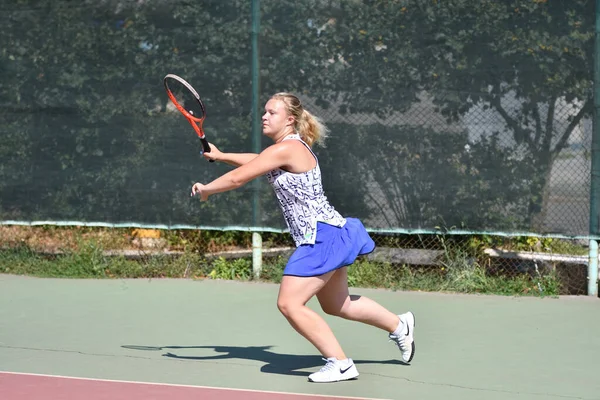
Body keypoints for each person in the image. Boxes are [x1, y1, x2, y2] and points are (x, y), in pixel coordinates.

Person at [190, 92, 415, 383]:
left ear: (290, 119)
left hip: (321, 236)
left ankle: (341, 363)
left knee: (289, 303)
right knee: (338, 304)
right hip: (330, 231)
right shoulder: (285, 149)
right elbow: (258, 161)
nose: (265, 116)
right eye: (265, 112)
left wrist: (207, 189)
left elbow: (240, 177)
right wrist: (220, 156)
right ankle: (400, 325)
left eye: (272, 112)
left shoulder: (289, 149)